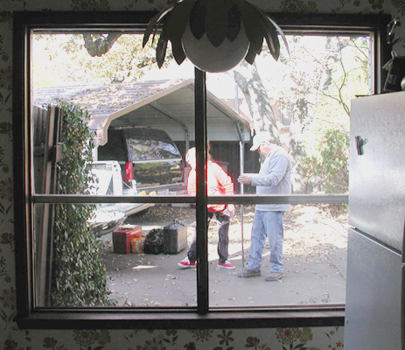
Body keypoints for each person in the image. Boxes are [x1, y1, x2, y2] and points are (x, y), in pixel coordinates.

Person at [238, 132, 291, 281]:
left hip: (274, 205)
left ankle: (277, 269)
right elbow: (266, 177)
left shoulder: (280, 156)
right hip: (263, 204)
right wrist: (251, 177)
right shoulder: (270, 157)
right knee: (256, 237)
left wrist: (252, 179)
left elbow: (274, 179)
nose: (259, 151)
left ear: (266, 143)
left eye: (259, 148)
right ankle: (253, 266)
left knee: (274, 238)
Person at [178, 146, 236, 270]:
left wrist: (230, 203)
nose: (190, 163)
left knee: (223, 232)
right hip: (204, 205)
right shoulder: (194, 170)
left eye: (191, 160)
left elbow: (227, 183)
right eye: (188, 161)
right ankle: (192, 258)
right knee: (198, 231)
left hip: (220, 204)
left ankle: (223, 259)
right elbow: (192, 189)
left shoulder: (214, 168)